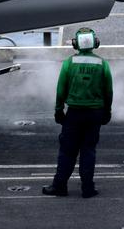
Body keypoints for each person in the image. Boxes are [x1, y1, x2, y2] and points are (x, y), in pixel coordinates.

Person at [43, 27, 113, 198]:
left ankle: (60, 186)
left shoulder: (69, 63)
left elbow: (61, 90)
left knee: (67, 151)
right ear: (95, 43)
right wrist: (107, 111)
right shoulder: (102, 64)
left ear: (75, 44)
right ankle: (87, 188)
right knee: (88, 150)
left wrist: (59, 110)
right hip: (95, 113)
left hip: (74, 114)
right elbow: (108, 91)